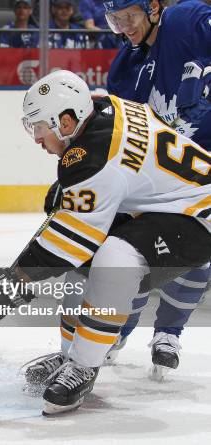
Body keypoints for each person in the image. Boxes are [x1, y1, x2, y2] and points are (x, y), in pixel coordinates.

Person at [0, 70, 210, 414]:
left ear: (66, 122)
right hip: (167, 204)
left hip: (197, 218)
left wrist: (13, 282)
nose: (37, 138)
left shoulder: (94, 157)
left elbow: (70, 241)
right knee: (90, 254)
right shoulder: (103, 107)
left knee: (114, 257)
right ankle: (69, 356)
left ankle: (83, 365)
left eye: (40, 127)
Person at [103, 0, 210, 373]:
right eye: (115, 21)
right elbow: (119, 135)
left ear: (152, 7)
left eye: (129, 17)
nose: (124, 28)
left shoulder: (186, 20)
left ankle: (169, 333)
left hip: (201, 180)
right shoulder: (125, 66)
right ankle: (113, 331)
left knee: (196, 253)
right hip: (152, 180)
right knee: (126, 253)